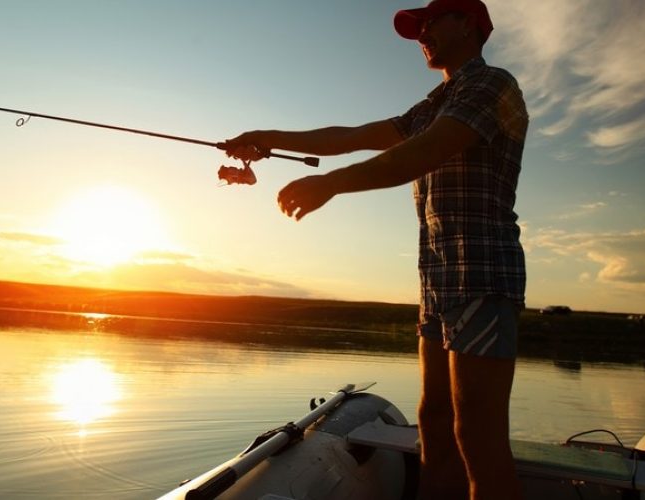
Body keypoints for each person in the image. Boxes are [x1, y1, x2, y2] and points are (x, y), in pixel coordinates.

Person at [223, 0, 527, 498]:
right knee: (433, 422)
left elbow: (424, 152)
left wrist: (332, 184)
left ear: (468, 24)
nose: (422, 34)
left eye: (431, 23)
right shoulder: (434, 103)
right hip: (438, 280)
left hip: (483, 273)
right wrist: (266, 137)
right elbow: (355, 136)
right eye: (419, 27)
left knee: (478, 434)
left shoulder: (493, 85)